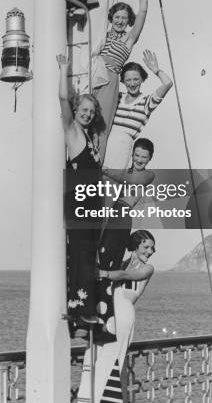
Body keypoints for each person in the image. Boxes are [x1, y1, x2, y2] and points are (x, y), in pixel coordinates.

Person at [78, 230, 156, 402]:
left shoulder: (147, 269)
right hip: (108, 314)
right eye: (146, 247)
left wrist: (104, 273)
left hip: (123, 314)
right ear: (135, 245)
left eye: (152, 248)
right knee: (94, 355)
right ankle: (89, 397)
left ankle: (104, 398)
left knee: (112, 358)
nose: (149, 252)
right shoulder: (120, 263)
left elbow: (127, 275)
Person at [57, 54, 103, 334]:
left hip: (92, 201)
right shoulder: (73, 131)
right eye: (83, 109)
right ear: (77, 110)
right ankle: (79, 311)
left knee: (88, 255)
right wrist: (64, 70)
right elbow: (63, 99)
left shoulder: (90, 137)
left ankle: (83, 310)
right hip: (79, 201)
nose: (87, 113)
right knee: (81, 254)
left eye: (90, 111)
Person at [95, 139, 156, 342]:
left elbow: (129, 178)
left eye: (144, 157)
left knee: (109, 262)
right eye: (136, 155)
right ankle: (99, 313)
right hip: (113, 214)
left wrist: (105, 170)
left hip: (122, 216)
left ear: (149, 159)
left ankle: (105, 320)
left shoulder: (147, 175)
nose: (139, 159)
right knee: (102, 257)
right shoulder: (127, 173)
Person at [93, 0, 148, 161]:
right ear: (111, 18)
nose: (120, 21)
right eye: (117, 17)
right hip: (92, 76)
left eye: (124, 18)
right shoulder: (102, 35)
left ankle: (96, 165)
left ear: (128, 21)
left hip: (109, 80)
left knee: (101, 124)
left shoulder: (129, 39)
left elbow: (142, 11)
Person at [103, 51, 173, 170]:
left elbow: (168, 83)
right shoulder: (117, 97)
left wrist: (156, 70)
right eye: (128, 80)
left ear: (142, 79)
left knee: (112, 184)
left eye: (136, 79)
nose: (132, 83)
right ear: (123, 81)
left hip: (122, 148)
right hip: (105, 142)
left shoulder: (146, 103)